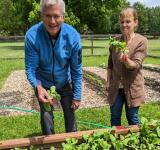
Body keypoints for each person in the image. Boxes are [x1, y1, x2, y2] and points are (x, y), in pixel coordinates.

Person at [24, 0, 82, 135]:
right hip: (43, 83)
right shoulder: (32, 36)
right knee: (46, 117)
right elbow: (31, 69)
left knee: (70, 114)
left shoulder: (73, 36)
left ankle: (72, 142)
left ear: (63, 16)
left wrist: (77, 96)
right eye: (48, 16)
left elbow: (76, 70)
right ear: (41, 15)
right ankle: (49, 144)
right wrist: (38, 87)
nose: (52, 21)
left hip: (65, 82)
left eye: (56, 16)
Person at [106, 8, 148, 126]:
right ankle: (116, 143)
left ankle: (136, 143)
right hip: (115, 88)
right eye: (122, 22)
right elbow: (110, 64)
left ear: (135, 22)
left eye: (128, 21)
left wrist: (126, 60)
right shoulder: (115, 41)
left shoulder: (141, 41)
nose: (124, 24)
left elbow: (135, 65)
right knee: (114, 118)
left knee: (132, 118)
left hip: (132, 88)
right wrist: (108, 82)